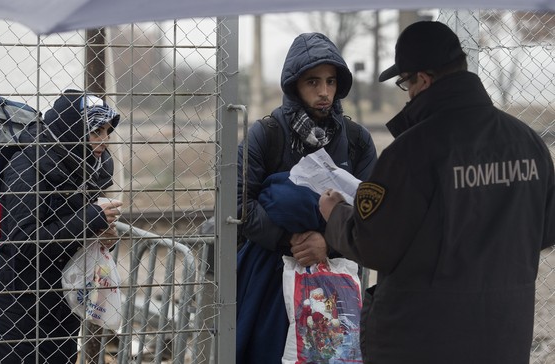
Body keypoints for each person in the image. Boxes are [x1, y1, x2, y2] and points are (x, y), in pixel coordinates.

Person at [319, 21, 555, 364]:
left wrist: (335, 213)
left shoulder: (411, 153)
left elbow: (372, 245)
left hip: (422, 340)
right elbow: (544, 230)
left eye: (405, 83)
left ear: (424, 80)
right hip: (504, 335)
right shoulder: (528, 143)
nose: (408, 93)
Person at [236, 32, 377, 364]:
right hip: (270, 280)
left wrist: (328, 245)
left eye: (330, 81)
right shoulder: (267, 133)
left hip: (334, 281)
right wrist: (291, 241)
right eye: (313, 81)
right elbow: (239, 204)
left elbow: (372, 214)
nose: (324, 91)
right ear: (294, 85)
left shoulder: (356, 140)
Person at [0, 90, 123, 363]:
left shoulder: (85, 167)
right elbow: (23, 243)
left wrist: (102, 235)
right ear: (72, 129)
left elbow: (70, 231)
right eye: (95, 131)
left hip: (61, 309)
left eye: (107, 131)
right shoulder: (27, 166)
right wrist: (91, 218)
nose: (104, 141)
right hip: (17, 312)